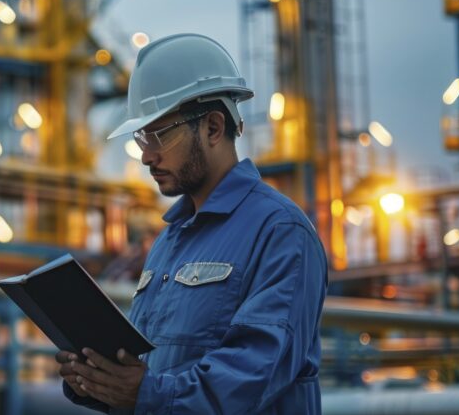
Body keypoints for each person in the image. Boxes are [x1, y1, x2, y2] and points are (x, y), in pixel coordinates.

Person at [57, 34, 327, 414]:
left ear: (213, 128)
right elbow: (150, 374)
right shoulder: (168, 241)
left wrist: (145, 394)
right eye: (140, 137)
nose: (146, 156)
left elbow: (251, 376)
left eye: (159, 135)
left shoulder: (280, 232)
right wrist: (98, 378)